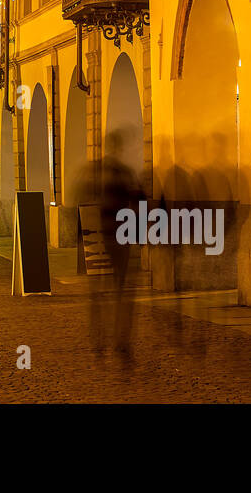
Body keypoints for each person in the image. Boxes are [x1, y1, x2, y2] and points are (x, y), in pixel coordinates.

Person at [97, 128, 145, 354]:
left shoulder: (99, 171)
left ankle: (105, 334)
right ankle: (119, 336)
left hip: (108, 231)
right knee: (121, 283)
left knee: (110, 283)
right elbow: (138, 198)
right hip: (120, 231)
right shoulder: (123, 172)